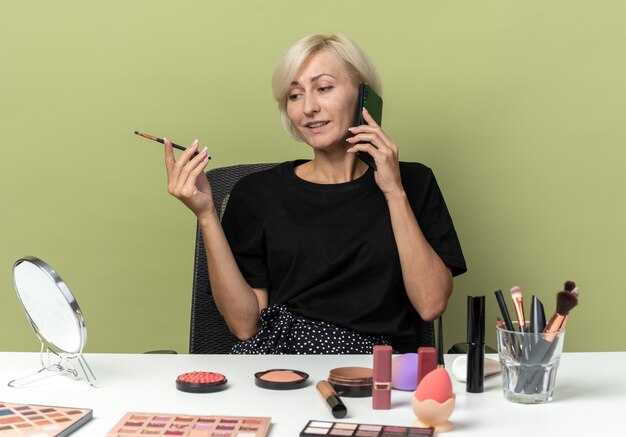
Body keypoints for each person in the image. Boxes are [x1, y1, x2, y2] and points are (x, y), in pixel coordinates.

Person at [164, 34, 466, 354]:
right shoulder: (256, 194)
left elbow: (431, 304)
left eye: (323, 88)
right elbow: (245, 326)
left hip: (377, 374)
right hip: (283, 370)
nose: (308, 107)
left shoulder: (414, 182)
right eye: (295, 95)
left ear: (363, 95)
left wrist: (393, 191)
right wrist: (207, 214)